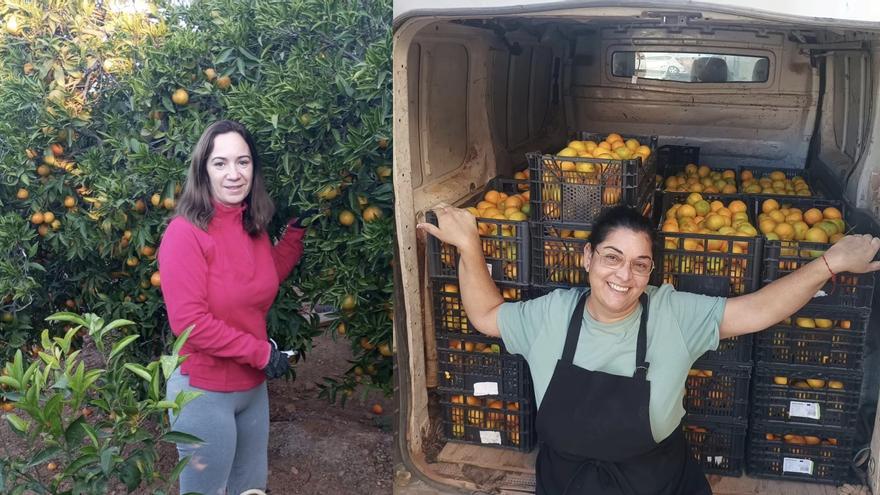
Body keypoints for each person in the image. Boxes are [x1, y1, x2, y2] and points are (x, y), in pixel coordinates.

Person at [417, 204, 880, 495]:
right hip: (565, 482)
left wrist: (829, 262)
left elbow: (757, 309)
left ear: (651, 271)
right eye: (612, 257)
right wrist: (469, 246)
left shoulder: (673, 313)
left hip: (655, 481)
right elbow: (485, 315)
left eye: (640, 265)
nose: (624, 276)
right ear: (588, 259)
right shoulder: (553, 314)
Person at [158, 120, 306, 495]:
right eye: (220, 163)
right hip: (203, 391)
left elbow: (261, 277)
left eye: (243, 162)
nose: (233, 174)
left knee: (250, 489)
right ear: (203, 170)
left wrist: (296, 233)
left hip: (252, 389)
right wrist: (260, 353)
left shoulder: (249, 225)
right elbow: (189, 323)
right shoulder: (184, 234)